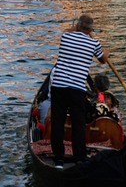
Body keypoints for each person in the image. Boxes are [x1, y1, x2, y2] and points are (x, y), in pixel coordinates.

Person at [50, 14, 109, 169]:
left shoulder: (65, 37)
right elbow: (103, 60)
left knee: (58, 122)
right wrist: (105, 51)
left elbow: (69, 30)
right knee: (78, 124)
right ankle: (80, 159)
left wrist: (77, 28)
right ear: (90, 29)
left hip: (59, 85)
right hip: (77, 88)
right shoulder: (94, 43)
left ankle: (58, 160)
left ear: (77, 25)